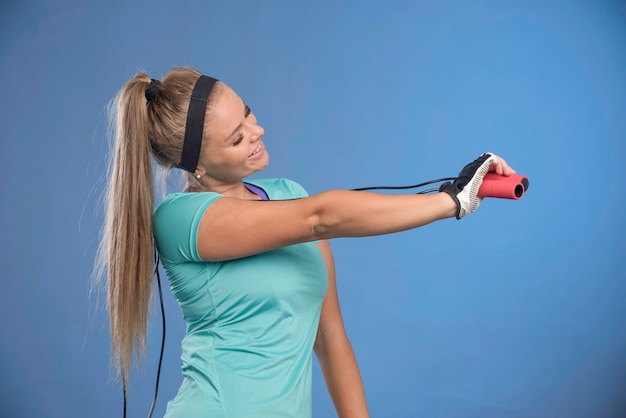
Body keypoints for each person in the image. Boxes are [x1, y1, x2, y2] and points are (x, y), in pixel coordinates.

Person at [95, 67, 516, 418]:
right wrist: (450, 202)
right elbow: (321, 218)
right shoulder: (179, 219)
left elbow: (331, 339)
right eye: (237, 138)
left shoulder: (288, 195)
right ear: (198, 165)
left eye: (247, 115)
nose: (257, 131)